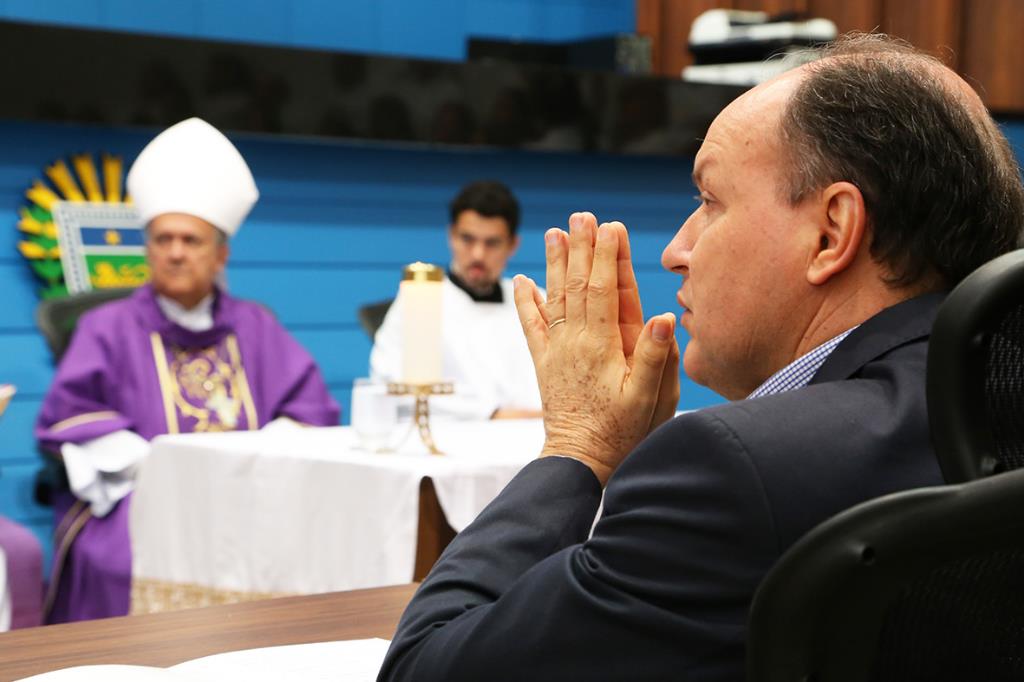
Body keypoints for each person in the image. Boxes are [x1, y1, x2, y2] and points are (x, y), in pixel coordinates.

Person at [378, 35, 1024, 680]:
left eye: (709, 202)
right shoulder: (1000, 400)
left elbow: (424, 669)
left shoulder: (730, 471)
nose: (676, 252)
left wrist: (578, 446)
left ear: (831, 233)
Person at [35, 117, 340, 623]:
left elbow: (310, 413)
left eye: (191, 240)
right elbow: (72, 418)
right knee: (117, 563)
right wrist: (168, 469)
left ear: (221, 254)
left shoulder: (256, 327)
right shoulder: (106, 327)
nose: (175, 253)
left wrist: (251, 461)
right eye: (163, 239)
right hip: (143, 496)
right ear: (148, 248)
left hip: (247, 497)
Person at [370, 180, 541, 419]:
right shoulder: (419, 301)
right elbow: (390, 382)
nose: (478, 254)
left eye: (492, 243)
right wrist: (490, 415)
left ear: (513, 245)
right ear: (451, 235)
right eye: (467, 239)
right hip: (454, 436)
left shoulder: (535, 301)